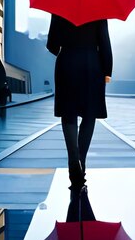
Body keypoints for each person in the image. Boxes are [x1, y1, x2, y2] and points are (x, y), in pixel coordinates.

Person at [46, 14, 112, 190]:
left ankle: (73, 160)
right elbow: (104, 42)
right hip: (92, 64)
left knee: (68, 114)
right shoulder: (99, 9)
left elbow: (52, 45)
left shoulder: (59, 8)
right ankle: (81, 161)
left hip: (66, 63)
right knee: (89, 115)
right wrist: (107, 70)